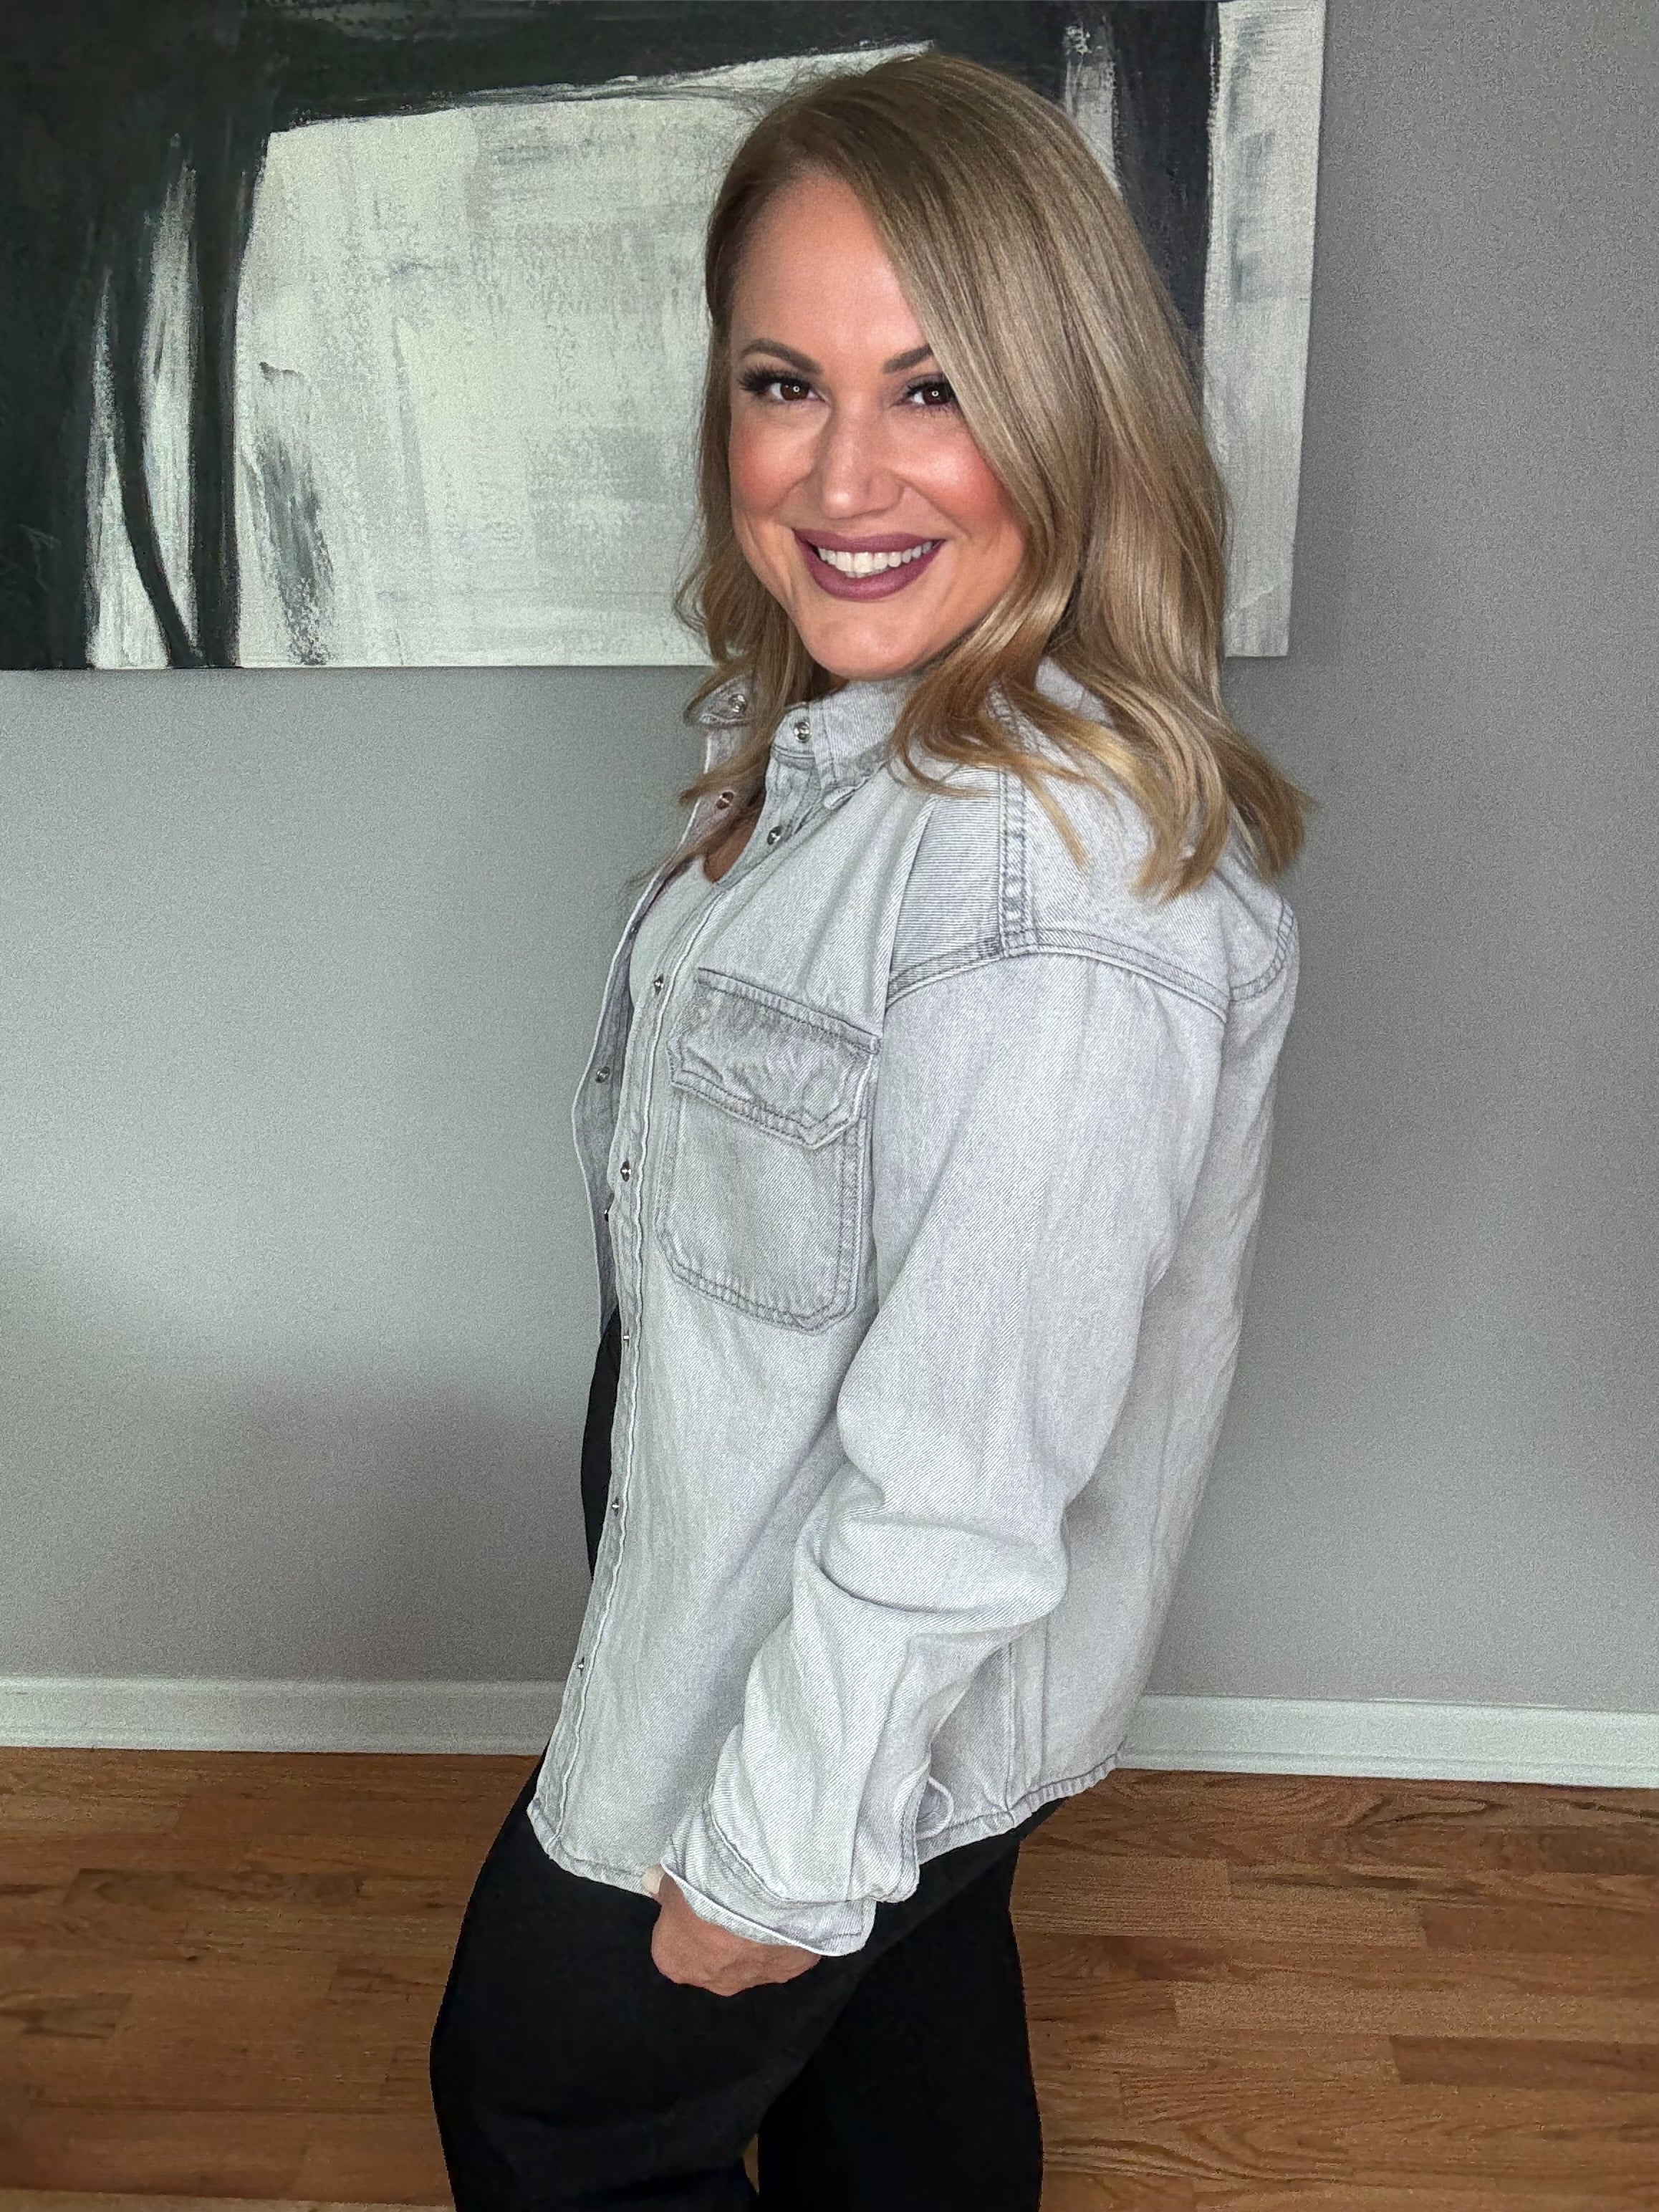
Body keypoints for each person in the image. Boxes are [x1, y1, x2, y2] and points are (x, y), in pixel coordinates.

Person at [430, 47, 1310, 2212]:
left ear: (1070, 409)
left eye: (935, 388)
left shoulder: (1034, 896)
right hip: (869, 1690)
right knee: (901, 2078)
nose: (840, 474)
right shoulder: (858, 748)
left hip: (790, 1712)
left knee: (546, 2108)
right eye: (781, 383)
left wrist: (773, 1848)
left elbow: (966, 1471)